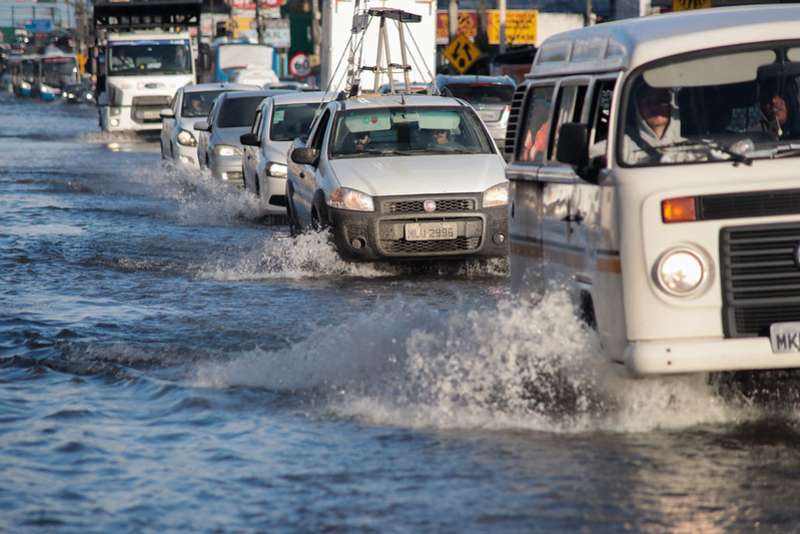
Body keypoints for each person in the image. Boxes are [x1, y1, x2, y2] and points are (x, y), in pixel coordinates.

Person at [623, 83, 683, 164]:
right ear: (638, 106)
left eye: (662, 100)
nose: (655, 107)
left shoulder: (694, 137)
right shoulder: (623, 143)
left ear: (671, 105)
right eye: (648, 102)